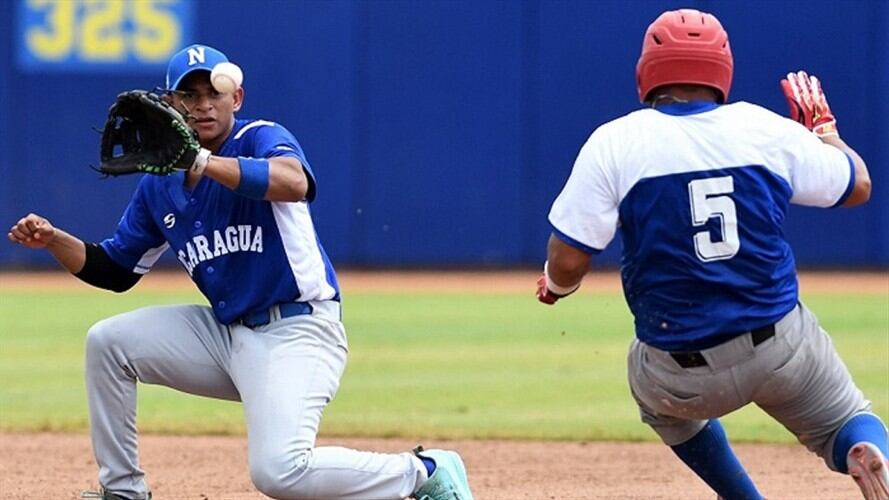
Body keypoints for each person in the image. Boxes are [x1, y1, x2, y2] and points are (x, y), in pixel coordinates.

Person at [7, 44, 473, 500]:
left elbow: (295, 183)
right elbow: (115, 271)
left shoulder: (260, 137)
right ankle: (123, 491)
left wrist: (202, 162)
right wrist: (54, 240)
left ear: (237, 98)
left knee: (279, 473)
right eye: (189, 95)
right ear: (170, 105)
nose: (204, 105)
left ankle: (423, 472)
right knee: (108, 342)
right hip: (226, 336)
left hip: (299, 330)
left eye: (214, 92)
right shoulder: (160, 183)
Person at [537, 9, 888, 500]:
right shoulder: (761, 128)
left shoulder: (615, 142)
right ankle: (864, 448)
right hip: (780, 346)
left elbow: (570, 259)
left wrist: (556, 286)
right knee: (849, 419)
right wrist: (824, 131)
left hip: (678, 371)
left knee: (659, 405)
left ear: (648, 70)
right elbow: (858, 185)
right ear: (721, 68)